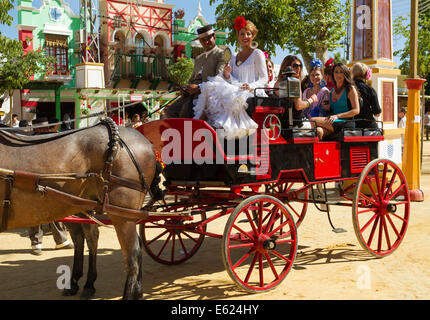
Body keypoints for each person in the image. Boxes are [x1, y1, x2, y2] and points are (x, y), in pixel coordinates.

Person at [193, 17, 268, 139]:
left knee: (231, 97)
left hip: (253, 90)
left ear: (253, 36)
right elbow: (231, 80)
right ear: (238, 36)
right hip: (237, 88)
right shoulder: (234, 57)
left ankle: (216, 128)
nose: (245, 37)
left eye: (248, 34)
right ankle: (204, 126)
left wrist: (251, 86)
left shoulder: (257, 53)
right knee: (212, 88)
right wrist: (227, 74)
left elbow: (264, 78)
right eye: (242, 34)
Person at [28, 117, 73, 256]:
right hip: (33, 180)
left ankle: (61, 241)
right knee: (35, 211)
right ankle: (36, 243)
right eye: (40, 129)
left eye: (45, 128)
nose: (44, 131)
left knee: (55, 210)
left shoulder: (52, 139)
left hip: (51, 179)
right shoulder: (29, 142)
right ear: (36, 130)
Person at [165, 24, 225, 119]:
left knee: (185, 111)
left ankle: (187, 132)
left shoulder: (221, 54)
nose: (206, 42)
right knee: (170, 111)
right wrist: (184, 88)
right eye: (203, 40)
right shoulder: (199, 58)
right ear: (200, 42)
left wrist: (199, 88)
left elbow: (219, 78)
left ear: (214, 37)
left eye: (208, 38)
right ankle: (179, 132)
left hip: (207, 92)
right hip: (191, 93)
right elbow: (192, 78)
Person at [310, 63, 360, 140]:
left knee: (313, 120)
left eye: (341, 72)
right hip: (334, 122)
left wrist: (337, 116)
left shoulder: (350, 89)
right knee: (318, 131)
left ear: (345, 74)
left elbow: (356, 110)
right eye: (336, 72)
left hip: (346, 123)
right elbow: (330, 109)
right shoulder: (332, 91)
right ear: (333, 74)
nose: (338, 74)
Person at [273, 55, 318, 128]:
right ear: (287, 66)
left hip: (282, 124)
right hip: (297, 124)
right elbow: (298, 106)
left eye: (300, 66)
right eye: (295, 66)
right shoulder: (293, 82)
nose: (299, 68)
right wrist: (311, 99)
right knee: (324, 126)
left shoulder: (277, 83)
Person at [351, 62, 381, 128]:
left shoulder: (347, 88)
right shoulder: (370, 90)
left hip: (350, 124)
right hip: (368, 125)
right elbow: (377, 113)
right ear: (366, 74)